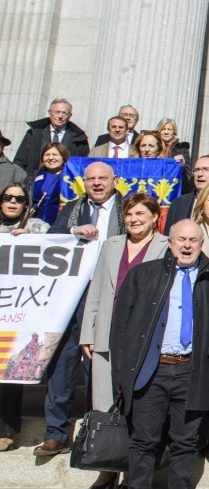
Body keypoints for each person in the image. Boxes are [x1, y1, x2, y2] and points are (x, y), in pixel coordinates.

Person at [109, 220, 209, 489]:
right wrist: (122, 372)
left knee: (185, 443)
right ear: (169, 242)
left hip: (191, 371)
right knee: (144, 441)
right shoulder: (144, 274)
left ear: (202, 244)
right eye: (181, 239)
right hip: (151, 370)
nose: (187, 245)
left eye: (193, 240)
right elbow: (122, 326)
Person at [34, 163, 125, 458]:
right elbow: (53, 238)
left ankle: (94, 432)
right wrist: (73, 230)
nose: (97, 184)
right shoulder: (73, 209)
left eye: (103, 179)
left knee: (96, 366)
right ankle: (55, 433)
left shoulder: (127, 208)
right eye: (91, 179)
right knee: (62, 362)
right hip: (70, 296)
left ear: (114, 181)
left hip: (108, 298)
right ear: (83, 182)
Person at [79, 193, 167, 489]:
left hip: (143, 337)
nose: (134, 219)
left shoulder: (165, 246)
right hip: (107, 333)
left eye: (141, 213)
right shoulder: (111, 245)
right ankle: (106, 469)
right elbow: (98, 290)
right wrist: (87, 333)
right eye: (129, 214)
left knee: (137, 407)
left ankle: (131, 471)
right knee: (104, 405)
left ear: (155, 216)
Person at [0, 184, 47, 453]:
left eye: (19, 199)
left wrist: (31, 238)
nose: (13, 202)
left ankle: (4, 431)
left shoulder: (38, 227)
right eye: (8, 197)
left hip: (17, 310)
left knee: (9, 370)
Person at [14, 99, 89, 172]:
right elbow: (20, 161)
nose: (60, 116)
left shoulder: (79, 138)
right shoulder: (34, 133)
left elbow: (83, 165)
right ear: (49, 113)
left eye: (64, 113)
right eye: (57, 112)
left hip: (65, 181)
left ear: (70, 116)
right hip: (35, 180)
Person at [28, 143, 68, 226]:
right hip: (35, 221)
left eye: (55, 155)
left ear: (63, 157)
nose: (50, 158)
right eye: (47, 155)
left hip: (59, 221)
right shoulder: (34, 176)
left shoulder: (70, 177)